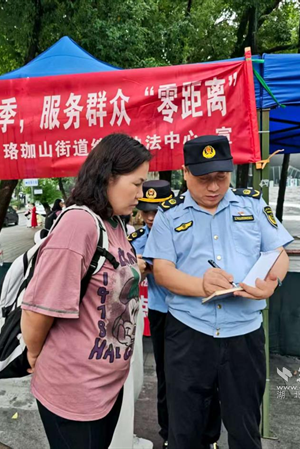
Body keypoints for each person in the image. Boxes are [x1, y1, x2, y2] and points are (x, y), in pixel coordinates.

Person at [144, 135, 292, 449]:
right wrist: (201, 285)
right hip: (189, 334)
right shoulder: (169, 215)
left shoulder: (252, 205)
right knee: (186, 430)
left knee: (245, 427)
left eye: (221, 177)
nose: (213, 187)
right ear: (185, 173)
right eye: (203, 179)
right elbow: (162, 271)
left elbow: (278, 253)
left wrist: (273, 282)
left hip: (244, 335)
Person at [20, 134, 151, 449]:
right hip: (74, 390)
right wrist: (34, 354)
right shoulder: (79, 224)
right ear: (108, 177)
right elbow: (37, 310)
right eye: (136, 184)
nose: (141, 193)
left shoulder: (115, 224)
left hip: (107, 386)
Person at [128, 180, 222, 449]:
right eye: (146, 211)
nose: (150, 217)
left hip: (195, 311)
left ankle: (208, 435)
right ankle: (169, 432)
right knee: (167, 376)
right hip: (162, 313)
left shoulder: (190, 230)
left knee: (206, 374)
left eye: (156, 211)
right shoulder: (137, 239)